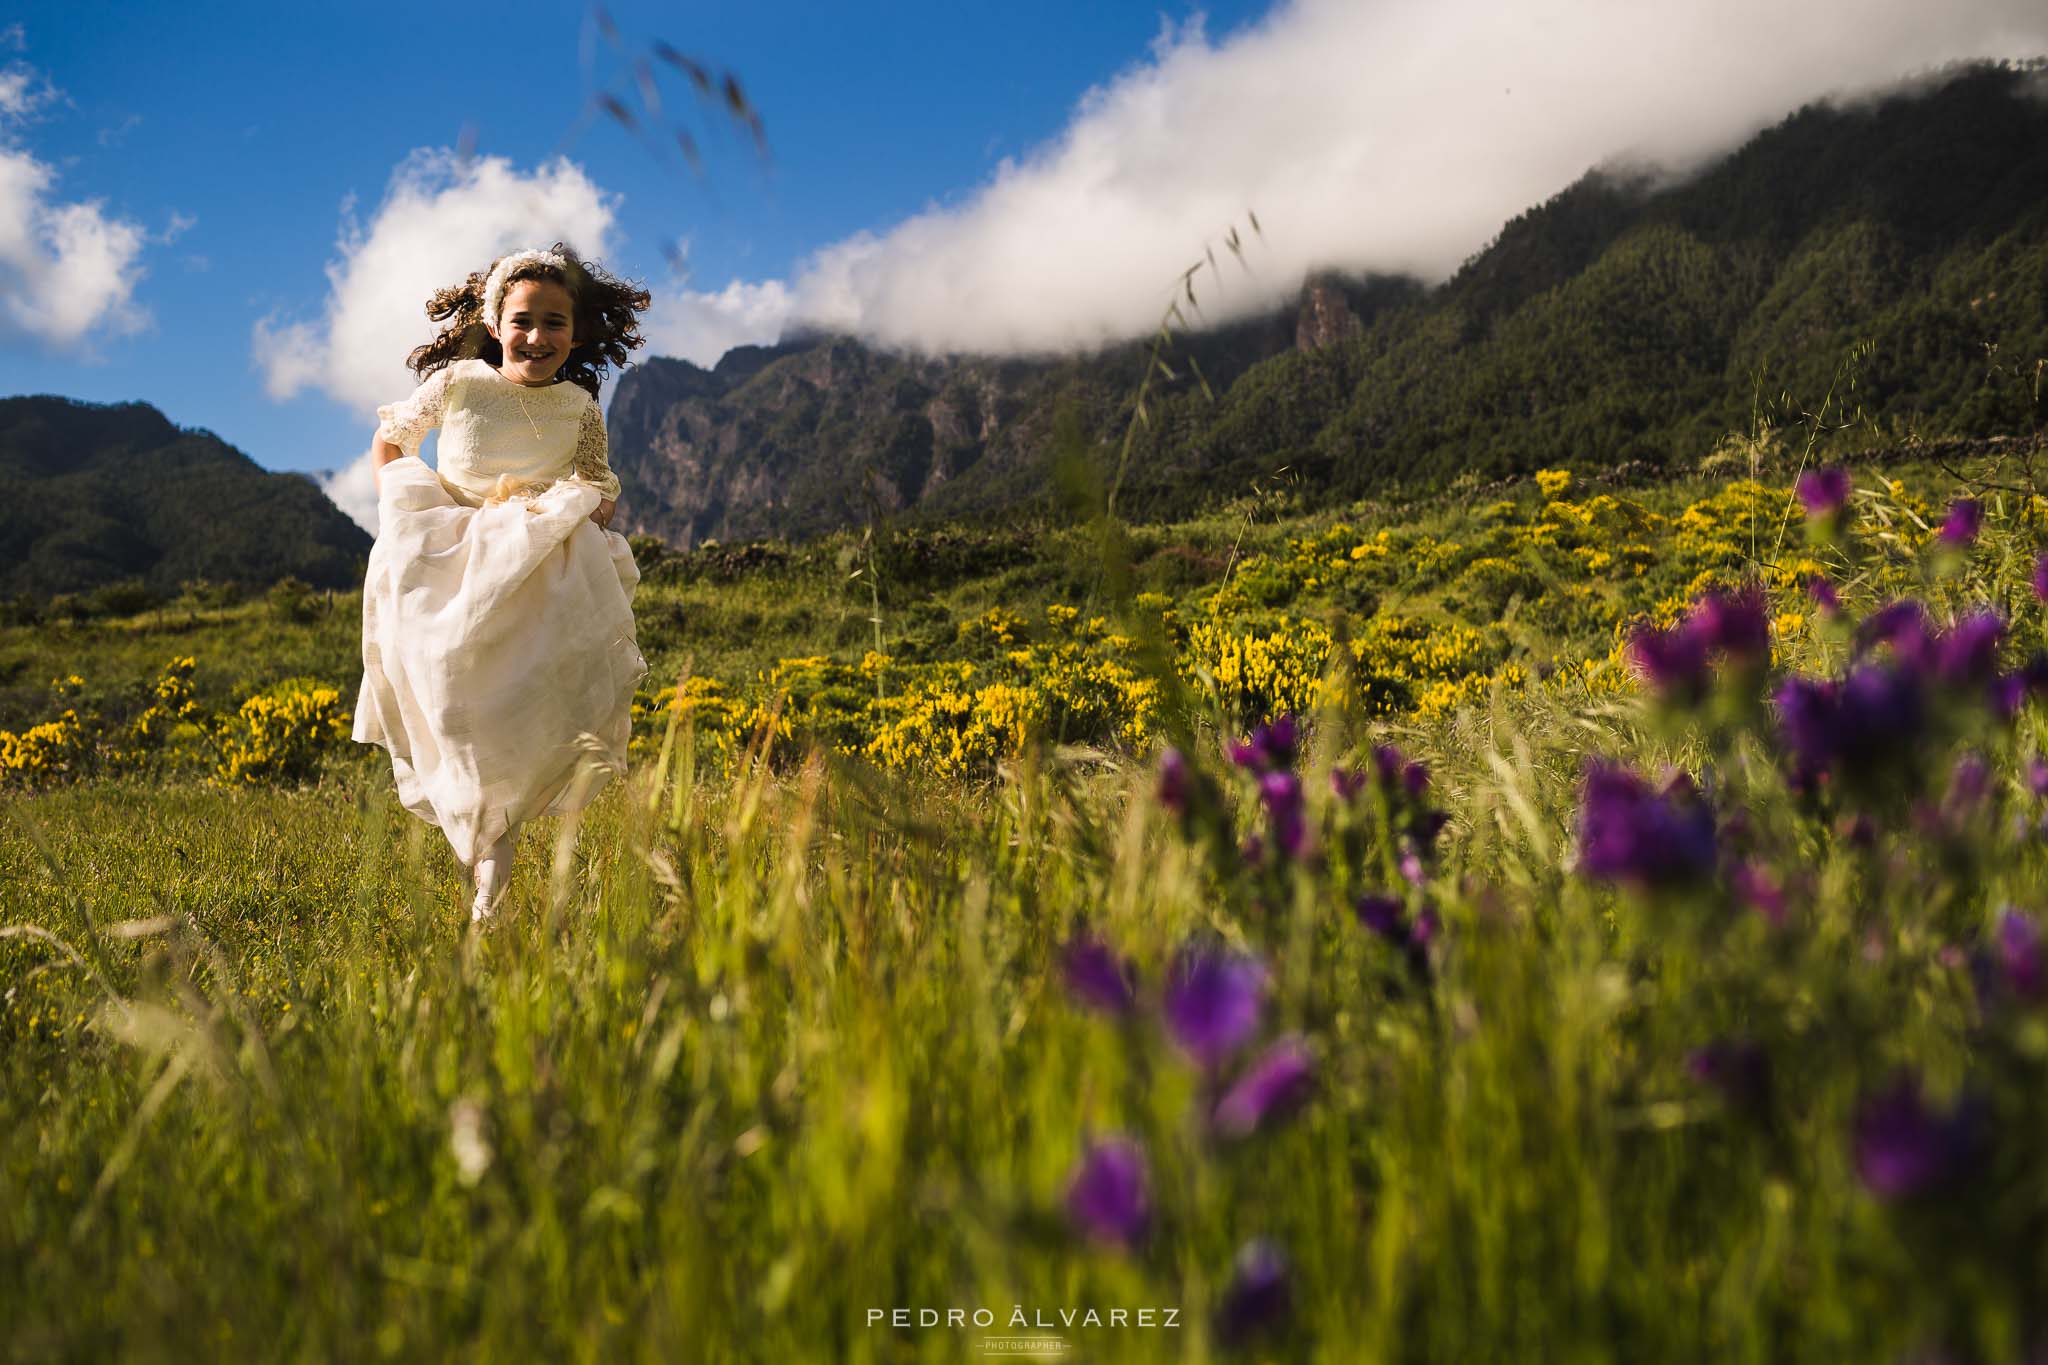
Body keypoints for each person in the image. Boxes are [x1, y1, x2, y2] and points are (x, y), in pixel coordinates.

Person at [352, 243, 652, 924]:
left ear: (575, 334)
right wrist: (401, 510)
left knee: (515, 707)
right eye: (523, 320)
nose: (537, 336)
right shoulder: (460, 383)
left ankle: (492, 881)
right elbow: (395, 439)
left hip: (533, 571)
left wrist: (580, 514)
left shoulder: (578, 405)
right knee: (456, 694)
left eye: (554, 323)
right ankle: (482, 837)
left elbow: (598, 481)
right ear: (495, 324)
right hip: (454, 557)